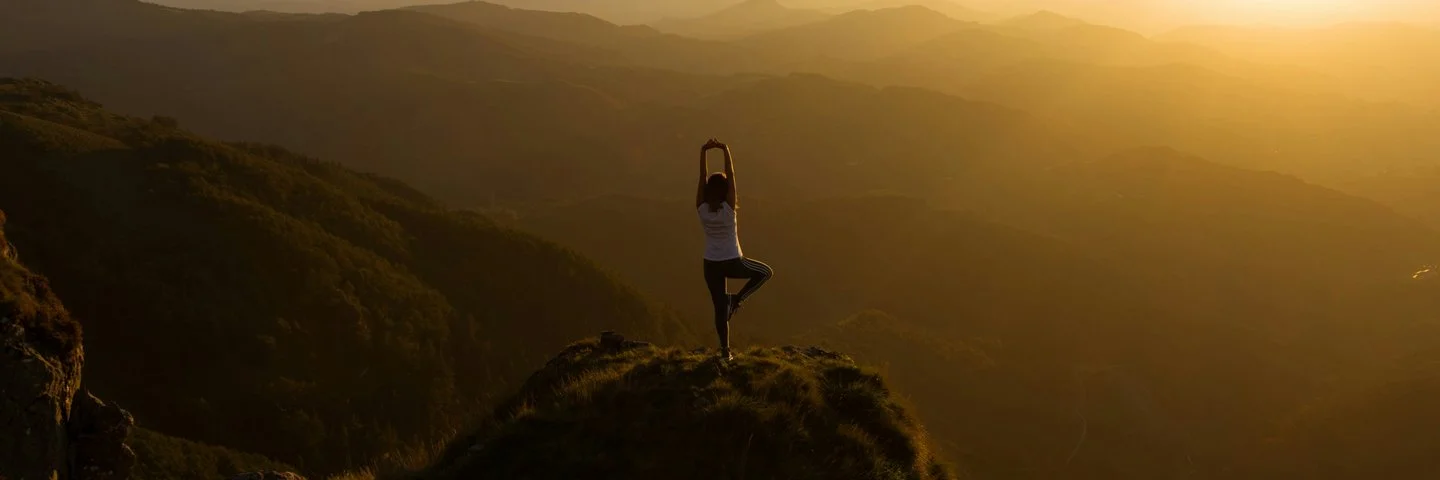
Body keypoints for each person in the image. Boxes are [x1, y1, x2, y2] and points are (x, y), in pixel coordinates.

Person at [697, 138, 774, 361]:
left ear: (708, 190)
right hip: (732, 261)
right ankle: (737, 300)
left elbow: (702, 177)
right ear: (725, 191)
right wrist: (725, 149)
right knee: (765, 273)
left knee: (719, 309)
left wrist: (703, 151)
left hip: (710, 264)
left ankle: (725, 351)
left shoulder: (701, 208)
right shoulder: (729, 209)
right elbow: (731, 175)